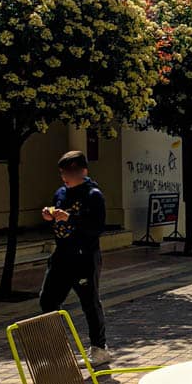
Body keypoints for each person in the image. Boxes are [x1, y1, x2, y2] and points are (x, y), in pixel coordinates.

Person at [40, 150, 110, 364]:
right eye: (62, 174)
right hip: (62, 254)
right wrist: (50, 216)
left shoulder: (93, 195)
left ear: (82, 172)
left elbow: (96, 228)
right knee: (48, 300)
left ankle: (99, 348)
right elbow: (58, 218)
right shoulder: (61, 193)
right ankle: (59, 350)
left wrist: (71, 218)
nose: (64, 179)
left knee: (89, 302)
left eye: (68, 174)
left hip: (84, 256)